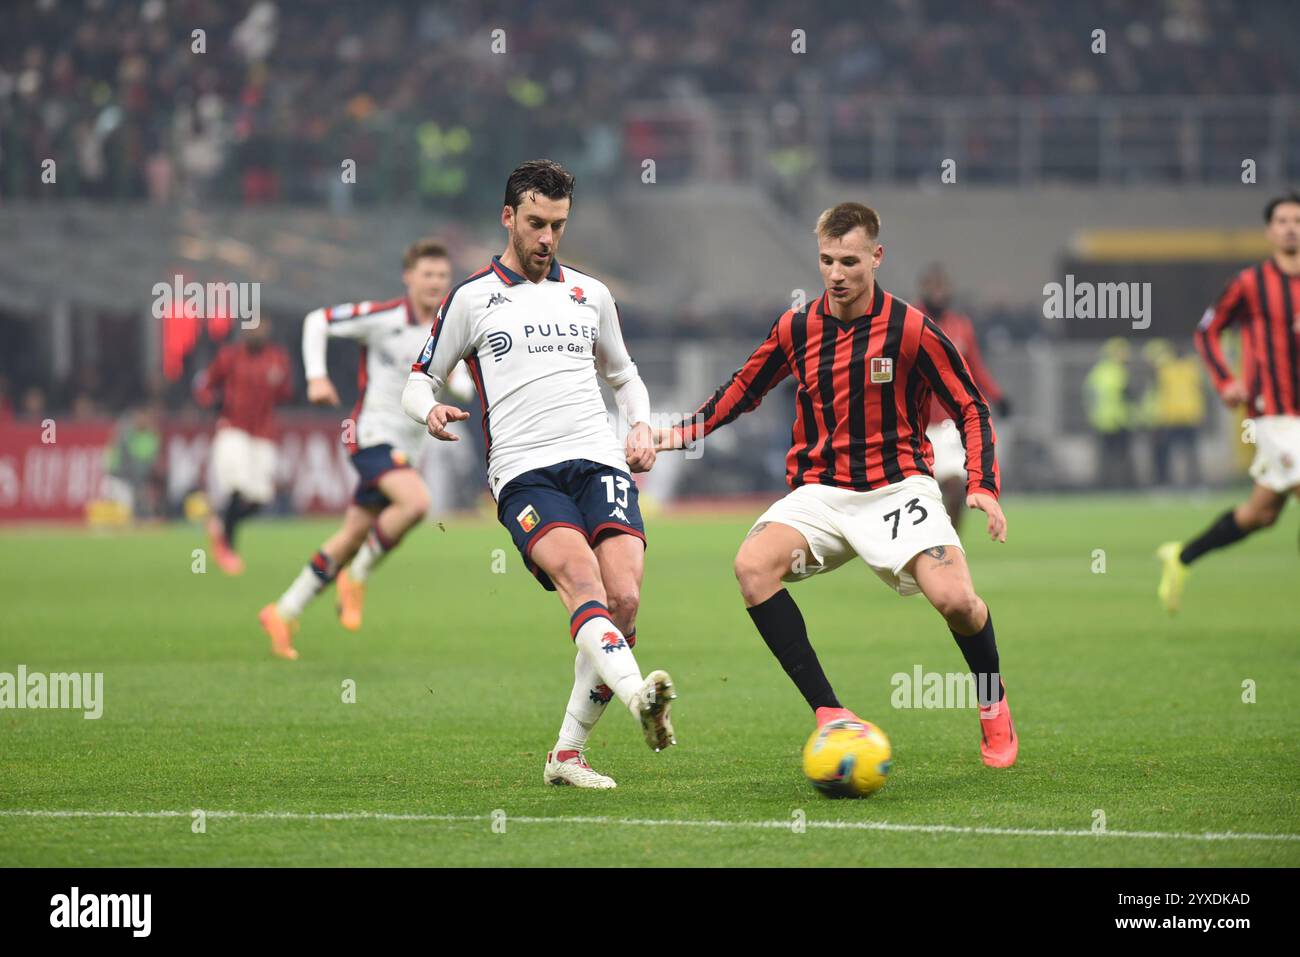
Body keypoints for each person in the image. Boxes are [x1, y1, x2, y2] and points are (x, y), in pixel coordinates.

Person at [653, 201, 1016, 768]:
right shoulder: (797, 326)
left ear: (876, 256)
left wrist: (983, 483)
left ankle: (992, 703)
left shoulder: (912, 329)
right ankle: (830, 713)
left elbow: (971, 403)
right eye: (826, 260)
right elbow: (742, 389)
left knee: (958, 603)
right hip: (821, 495)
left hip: (898, 490)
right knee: (752, 567)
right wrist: (678, 434)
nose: (836, 273)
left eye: (849, 260)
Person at [401, 159, 676, 788]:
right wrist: (431, 410)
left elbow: (624, 375)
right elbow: (418, 380)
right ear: (508, 218)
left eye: (557, 224)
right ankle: (639, 698)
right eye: (534, 223)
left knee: (625, 599)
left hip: (599, 459)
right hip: (525, 471)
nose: (546, 238)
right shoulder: (471, 299)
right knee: (582, 578)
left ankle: (567, 756)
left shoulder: (591, 294)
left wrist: (638, 424)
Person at [258, 239, 467, 659]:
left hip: (407, 448)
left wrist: (470, 380)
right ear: (408, 277)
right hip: (369, 434)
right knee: (416, 503)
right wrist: (317, 377)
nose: (435, 283)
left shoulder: (448, 330)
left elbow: (460, 381)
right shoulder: (383, 317)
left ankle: (283, 611)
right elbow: (318, 320)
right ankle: (357, 577)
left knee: (353, 534)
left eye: (442, 276)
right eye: (427, 275)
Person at [1157, 192, 1300, 612]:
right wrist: (1225, 380)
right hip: (1272, 415)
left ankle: (1181, 556)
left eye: (1298, 220)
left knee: (1261, 514)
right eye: (1283, 220)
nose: (1291, 227)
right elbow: (1207, 331)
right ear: (1270, 231)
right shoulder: (1250, 284)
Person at [194, 320, 293, 573]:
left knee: (259, 499)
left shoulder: (277, 359)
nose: (257, 332)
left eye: (261, 328)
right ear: (243, 331)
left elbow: (286, 393)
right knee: (236, 487)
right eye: (253, 328)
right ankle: (228, 549)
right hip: (233, 429)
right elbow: (204, 385)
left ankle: (218, 524)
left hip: (263, 434)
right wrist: (213, 403)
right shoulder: (229, 356)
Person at [917, 264, 1006, 532]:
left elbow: (974, 368)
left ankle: (949, 543)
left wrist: (997, 396)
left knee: (956, 488)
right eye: (933, 287)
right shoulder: (908, 322)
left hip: (948, 425)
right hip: (915, 423)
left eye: (942, 287)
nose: (939, 293)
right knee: (920, 495)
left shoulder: (961, 326)